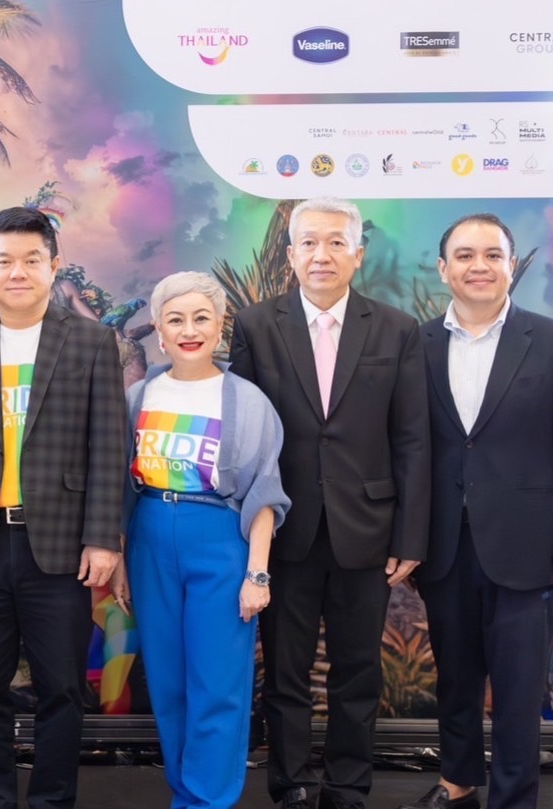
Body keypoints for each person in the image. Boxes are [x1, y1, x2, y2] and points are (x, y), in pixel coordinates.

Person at [229, 196, 430, 809]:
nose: (323, 254)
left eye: (337, 242)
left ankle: (346, 786)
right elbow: (244, 435)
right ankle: (290, 783)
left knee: (358, 671)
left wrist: (410, 537)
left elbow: (412, 438)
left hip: (367, 530)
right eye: (310, 243)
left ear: (358, 254)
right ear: (291, 254)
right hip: (284, 528)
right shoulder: (256, 324)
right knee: (285, 672)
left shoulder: (396, 328)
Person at [0, 206, 126, 809]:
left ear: (53, 266)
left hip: (61, 548)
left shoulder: (91, 341)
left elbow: (108, 446)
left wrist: (103, 538)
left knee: (61, 688)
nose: (18, 272)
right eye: (5, 260)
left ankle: (51, 801)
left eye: (32, 260)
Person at [398, 215, 552, 809]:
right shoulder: (413, 344)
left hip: (527, 542)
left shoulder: (547, 338)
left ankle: (513, 798)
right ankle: (458, 781)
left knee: (519, 686)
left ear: (511, 265)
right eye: (464, 255)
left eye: (492, 254)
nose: (479, 266)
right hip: (443, 541)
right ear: (444, 269)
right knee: (456, 676)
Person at [122, 271, 290, 809]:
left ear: (220, 327)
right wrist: (122, 559)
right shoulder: (139, 395)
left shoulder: (247, 400)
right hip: (149, 538)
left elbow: (264, 493)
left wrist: (256, 573)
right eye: (176, 320)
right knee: (168, 683)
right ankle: (186, 793)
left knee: (217, 684)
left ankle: (207, 801)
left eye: (201, 318)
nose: (189, 330)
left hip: (219, 540)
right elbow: (120, 486)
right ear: (159, 330)